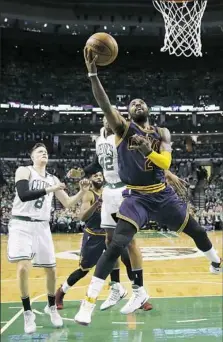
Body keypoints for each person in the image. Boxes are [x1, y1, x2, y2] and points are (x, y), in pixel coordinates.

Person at [74, 48, 222, 325]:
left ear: (148, 110)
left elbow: (165, 160)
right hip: (136, 197)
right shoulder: (123, 129)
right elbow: (105, 105)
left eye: (141, 102)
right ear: (127, 113)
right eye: (132, 103)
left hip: (162, 194)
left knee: (197, 231)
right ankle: (88, 302)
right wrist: (93, 74)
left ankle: (215, 261)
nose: (137, 104)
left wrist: (147, 151)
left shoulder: (161, 133)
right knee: (116, 244)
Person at [68, 118, 152, 313]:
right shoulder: (99, 140)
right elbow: (98, 163)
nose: (107, 120)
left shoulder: (123, 137)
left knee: (129, 243)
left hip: (124, 191)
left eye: (111, 117)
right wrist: (81, 172)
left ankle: (139, 289)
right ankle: (116, 287)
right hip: (109, 192)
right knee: (109, 240)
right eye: (104, 118)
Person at [7, 143, 90, 334]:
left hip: (42, 226)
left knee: (51, 270)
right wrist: (50, 189)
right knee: (22, 268)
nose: (43, 153)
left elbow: (68, 203)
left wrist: (82, 192)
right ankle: (28, 312)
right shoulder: (24, 170)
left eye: (45, 151)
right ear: (32, 157)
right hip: (21, 224)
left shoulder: (52, 178)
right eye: (39, 151)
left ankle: (51, 307)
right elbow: (23, 194)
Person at [55, 172, 106, 309]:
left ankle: (139, 294)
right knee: (83, 270)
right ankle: (61, 291)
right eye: (95, 176)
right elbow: (82, 217)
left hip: (109, 233)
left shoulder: (108, 191)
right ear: (90, 179)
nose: (99, 177)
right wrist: (96, 204)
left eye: (100, 175)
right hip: (93, 235)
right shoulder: (89, 194)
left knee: (120, 261)